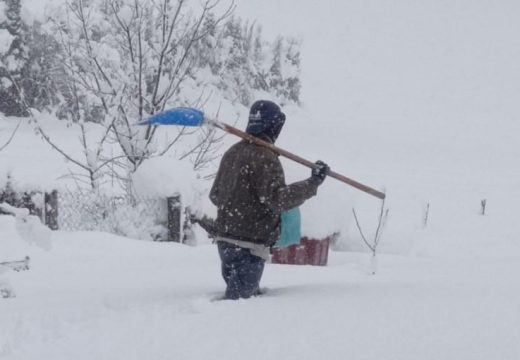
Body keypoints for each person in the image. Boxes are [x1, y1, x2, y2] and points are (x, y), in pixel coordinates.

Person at [209, 100, 329, 300]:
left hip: (226, 243)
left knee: (236, 299)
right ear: (273, 126)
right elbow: (278, 200)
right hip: (249, 246)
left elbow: (215, 195)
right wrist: (313, 182)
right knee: (239, 306)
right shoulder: (265, 157)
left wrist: (238, 203)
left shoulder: (232, 153)